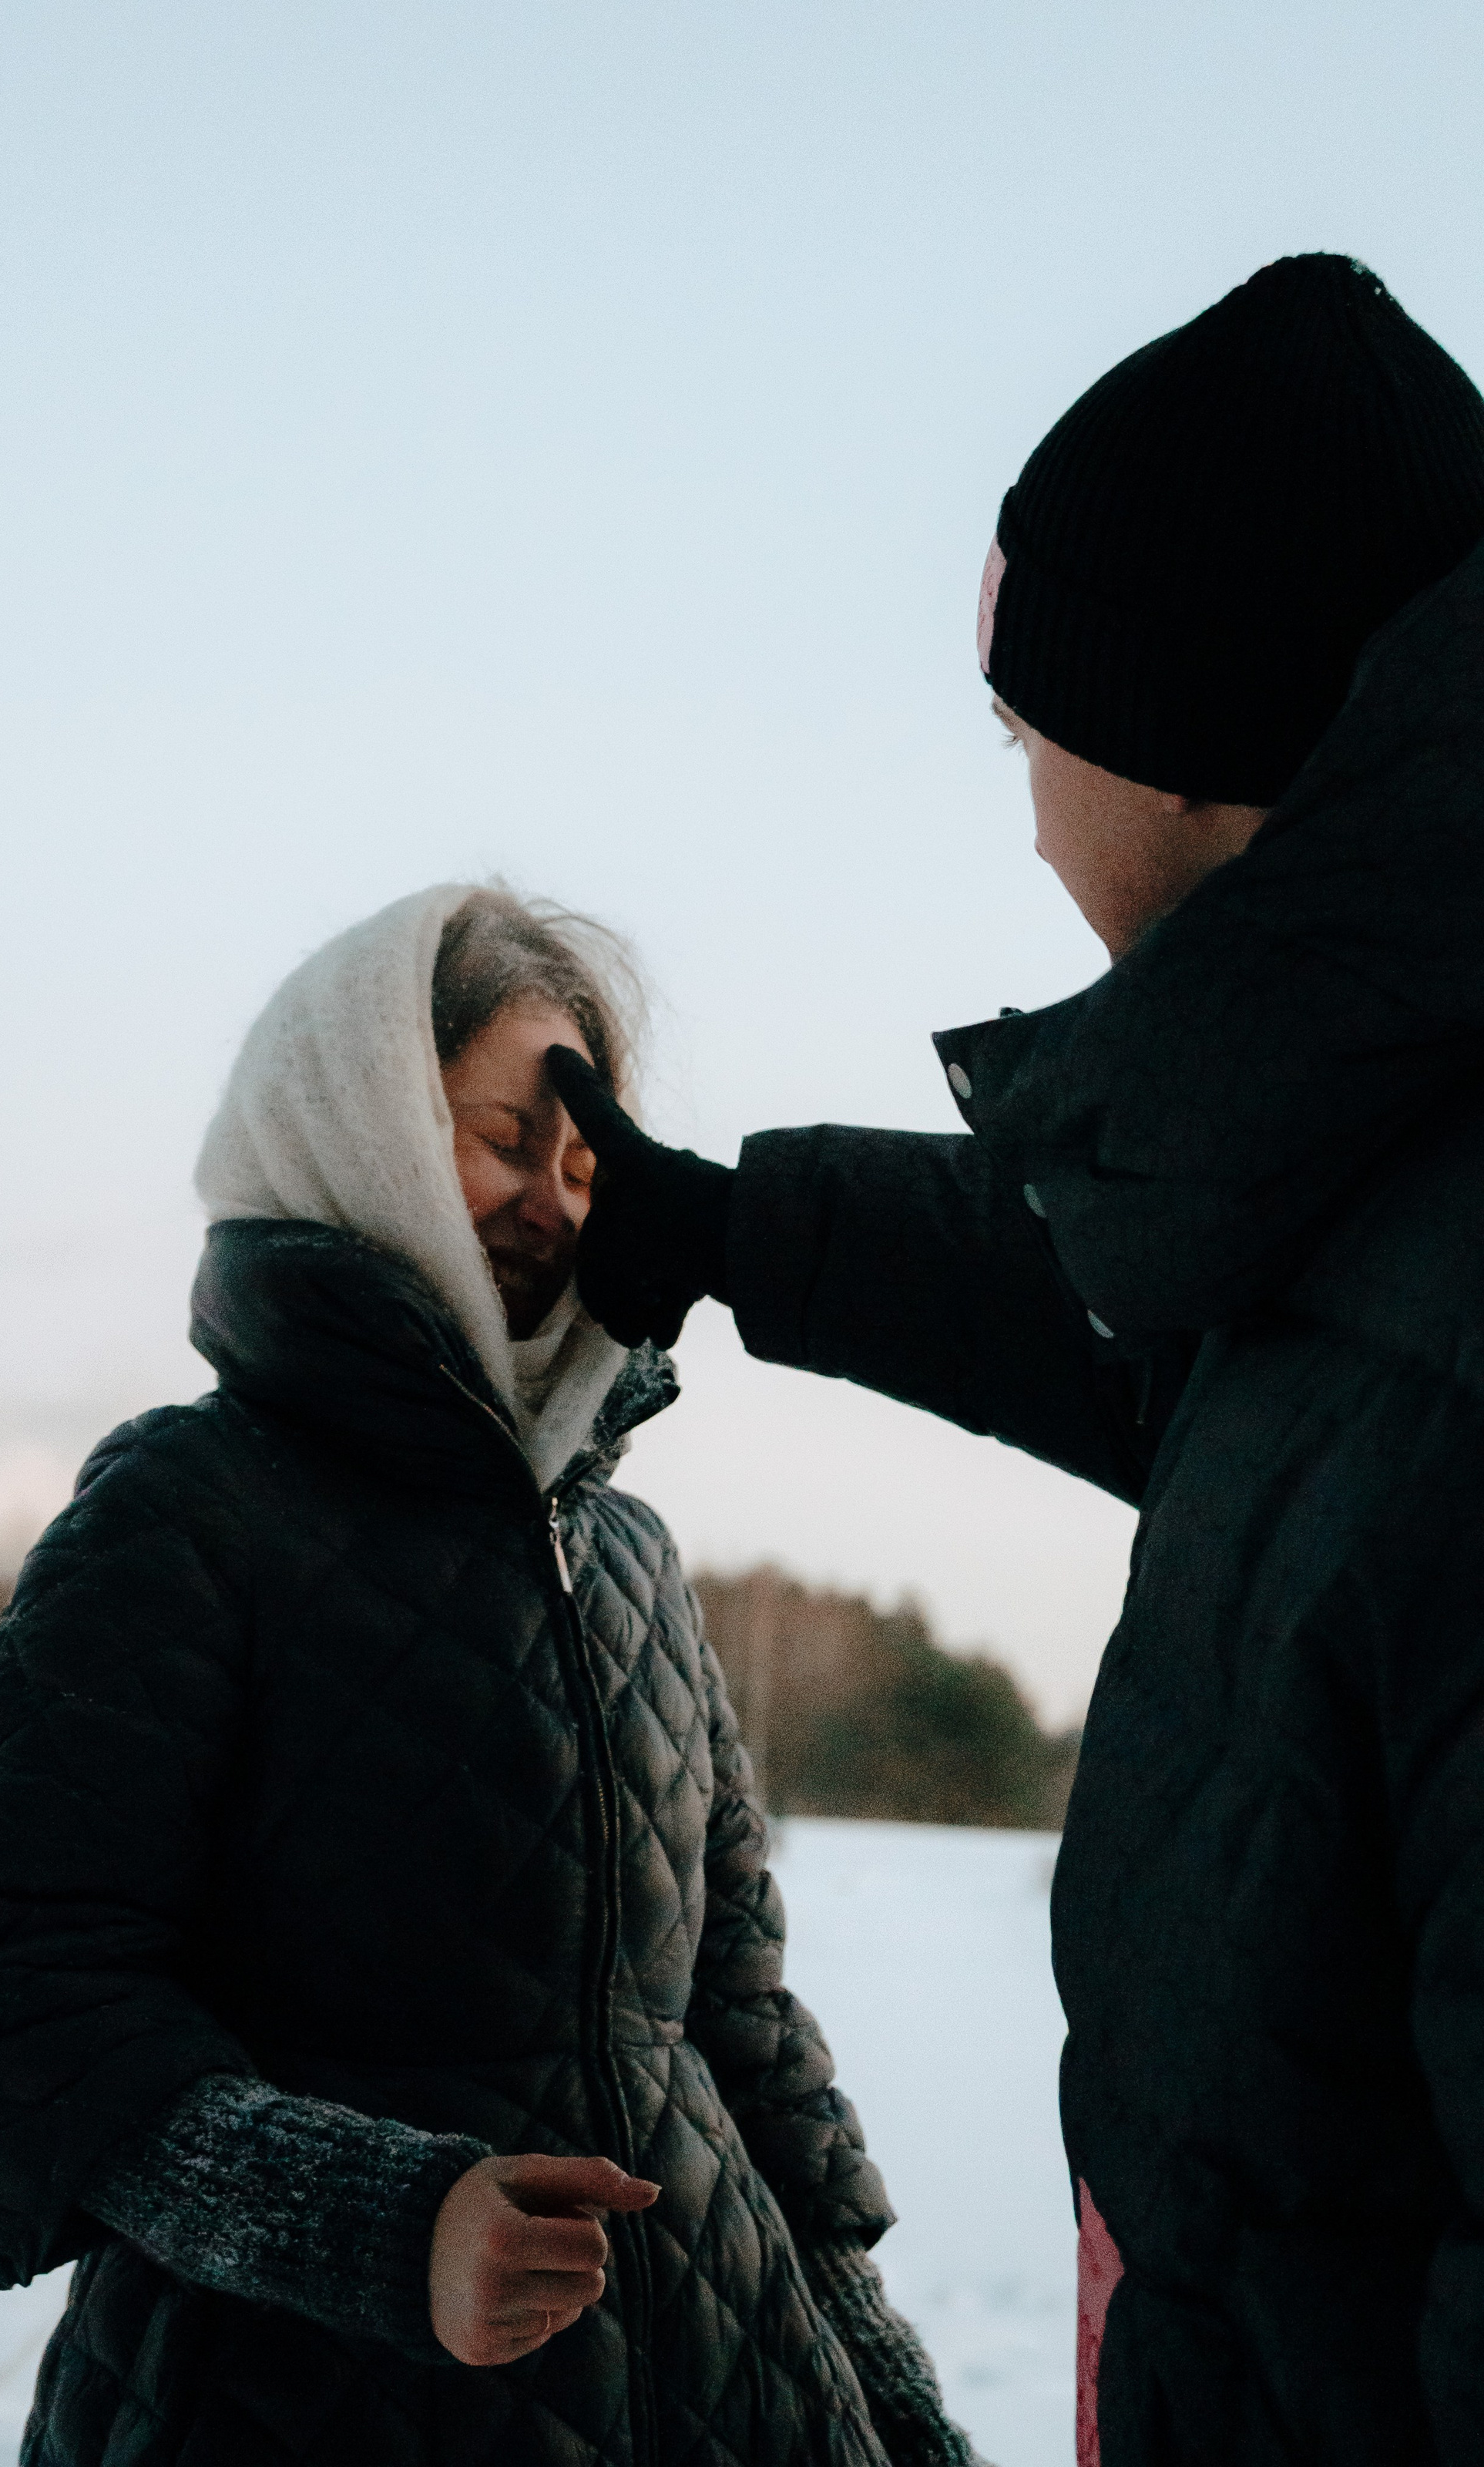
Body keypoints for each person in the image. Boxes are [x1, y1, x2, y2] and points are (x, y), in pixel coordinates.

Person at [546, 253, 1484, 2467]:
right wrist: (722, 1222)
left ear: (1192, 740)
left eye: (1026, 732)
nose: (1026, 805)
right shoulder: (1373, 1182)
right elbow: (1137, 1299)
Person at [0, 884, 979, 2467]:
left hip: (715, 2388)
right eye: (493, 1135)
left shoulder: (629, 1554)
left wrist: (883, 2389)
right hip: (295, 2402)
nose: (546, 1197)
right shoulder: (184, 1509)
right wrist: (382, 2225)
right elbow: (21, 2004)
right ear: (354, 1125)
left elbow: (727, 2020)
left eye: (581, 1158)